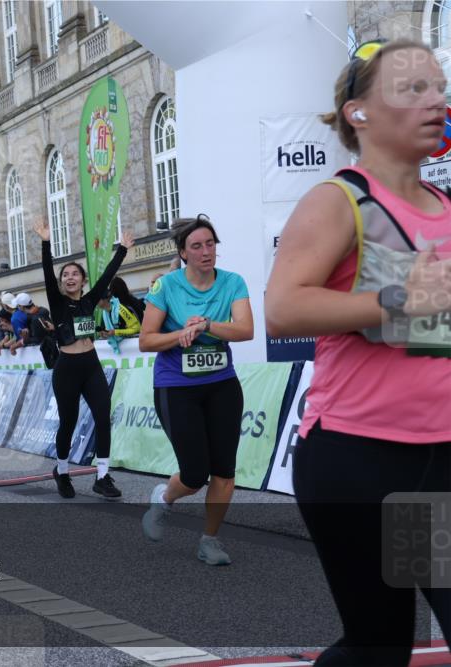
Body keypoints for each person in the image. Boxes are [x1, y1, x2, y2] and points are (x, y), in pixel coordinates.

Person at [265, 39, 450, 665]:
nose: (436, 101)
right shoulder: (339, 200)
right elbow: (284, 308)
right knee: (380, 646)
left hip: (439, 459)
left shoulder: (447, 207)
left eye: (439, 87)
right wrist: (400, 299)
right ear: (358, 112)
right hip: (361, 459)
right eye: (413, 88)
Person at [138, 215, 253, 565]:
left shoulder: (233, 282)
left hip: (221, 384)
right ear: (183, 253)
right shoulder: (166, 286)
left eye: (210, 244)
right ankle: (163, 498)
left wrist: (206, 325)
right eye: (197, 246)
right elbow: (146, 340)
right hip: (176, 386)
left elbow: (245, 330)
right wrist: (181, 334)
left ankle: (210, 541)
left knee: (225, 471)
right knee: (193, 475)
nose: (206, 252)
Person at [34, 220, 132, 500]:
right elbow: (47, 273)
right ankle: (62, 472)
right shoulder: (57, 302)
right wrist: (45, 242)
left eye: (75, 274)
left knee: (103, 415)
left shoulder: (90, 300)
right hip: (66, 368)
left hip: (91, 365)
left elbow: (108, 275)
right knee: (68, 422)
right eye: (65, 275)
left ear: (82, 280)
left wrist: (122, 250)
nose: (70, 277)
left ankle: (102, 476)